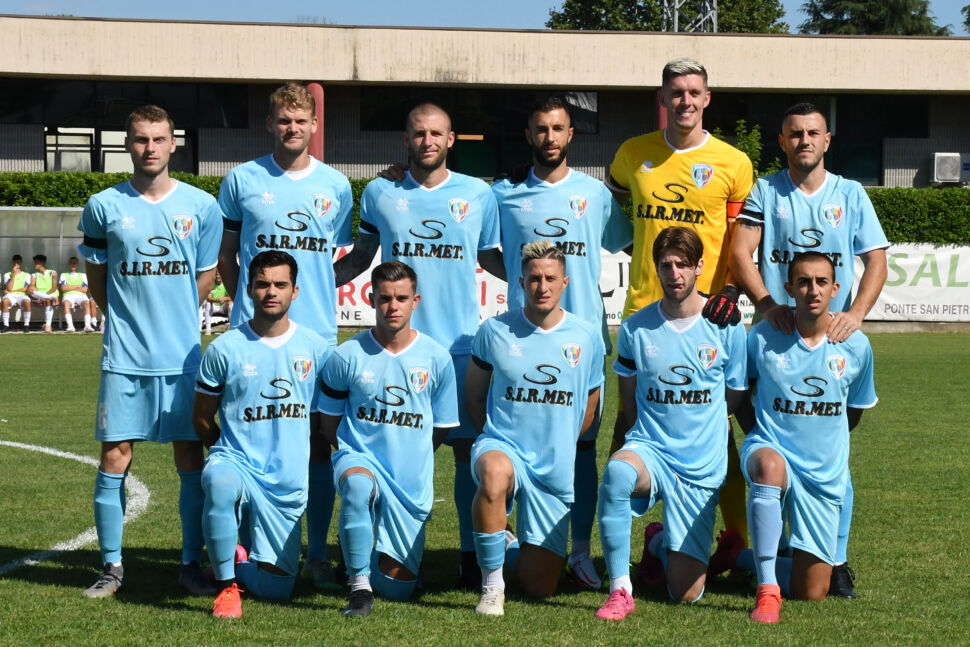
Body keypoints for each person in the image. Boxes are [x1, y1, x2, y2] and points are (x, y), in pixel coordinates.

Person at [334, 102, 505, 588]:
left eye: (436, 133)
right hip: (396, 349)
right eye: (418, 133)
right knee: (395, 449)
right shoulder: (380, 192)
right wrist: (306, 285)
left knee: (466, 453)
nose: (427, 140)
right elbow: (361, 257)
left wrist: (545, 290)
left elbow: (491, 258)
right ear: (405, 139)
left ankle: (472, 555)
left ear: (451, 140)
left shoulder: (478, 194)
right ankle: (387, 547)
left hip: (459, 347)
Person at [728, 102, 888, 598]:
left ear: (827, 139)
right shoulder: (765, 190)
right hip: (777, 337)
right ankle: (762, 555)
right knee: (764, 446)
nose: (804, 141)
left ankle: (832, 560)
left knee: (833, 451)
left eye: (812, 133)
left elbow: (876, 262)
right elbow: (740, 252)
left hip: (829, 335)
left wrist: (855, 316)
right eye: (794, 134)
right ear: (782, 141)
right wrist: (767, 303)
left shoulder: (851, 193)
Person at [606, 56, 754, 554]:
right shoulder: (633, 154)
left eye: (694, 92)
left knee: (718, 432)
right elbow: (611, 209)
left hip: (707, 320)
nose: (685, 101)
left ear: (706, 99)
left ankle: (737, 539)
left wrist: (729, 294)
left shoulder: (733, 163)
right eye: (676, 93)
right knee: (628, 428)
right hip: (642, 314)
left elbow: (739, 242)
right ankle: (616, 550)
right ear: (663, 99)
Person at [76, 104, 223, 598]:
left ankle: (188, 564)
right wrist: (125, 318)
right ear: (127, 144)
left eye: (159, 139)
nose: (150, 148)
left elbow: (206, 275)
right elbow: (98, 279)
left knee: (190, 456)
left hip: (182, 359)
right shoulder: (103, 206)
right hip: (124, 357)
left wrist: (176, 314)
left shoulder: (201, 207)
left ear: (173, 143)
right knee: (114, 456)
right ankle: (112, 567)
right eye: (140, 139)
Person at [491, 96, 631, 589]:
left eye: (558, 128)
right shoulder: (502, 194)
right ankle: (508, 541)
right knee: (513, 446)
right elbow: (487, 250)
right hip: (521, 343)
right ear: (528, 136)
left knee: (581, 450)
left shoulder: (595, 195)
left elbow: (633, 242)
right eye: (540, 130)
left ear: (572, 134)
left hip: (582, 343)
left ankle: (576, 550)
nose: (549, 137)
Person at [217, 82, 354, 586]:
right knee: (253, 438)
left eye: (301, 121)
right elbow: (228, 256)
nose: (292, 128)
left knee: (321, 442)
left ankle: (316, 551)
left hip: (317, 336)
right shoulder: (241, 179)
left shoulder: (337, 185)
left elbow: (328, 261)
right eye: (283, 120)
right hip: (252, 338)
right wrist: (247, 311)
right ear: (270, 124)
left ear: (314, 126)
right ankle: (249, 549)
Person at [594, 227, 747, 621]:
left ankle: (658, 541)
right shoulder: (635, 327)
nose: (674, 273)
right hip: (652, 450)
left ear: (699, 267)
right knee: (616, 474)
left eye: (683, 264)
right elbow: (627, 397)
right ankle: (619, 590)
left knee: (686, 593)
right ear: (656, 269)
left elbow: (734, 395)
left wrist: (707, 426)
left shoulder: (726, 326)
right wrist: (635, 439)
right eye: (666, 265)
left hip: (700, 464)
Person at [726, 252, 877, 623]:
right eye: (804, 282)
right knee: (770, 465)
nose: (813, 290)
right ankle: (766, 592)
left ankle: (736, 555)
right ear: (789, 288)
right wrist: (759, 435)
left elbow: (852, 411)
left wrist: (822, 437)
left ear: (835, 289)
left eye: (821, 282)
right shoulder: (762, 336)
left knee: (812, 591)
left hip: (821, 474)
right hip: (770, 450)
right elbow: (741, 395)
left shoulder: (856, 346)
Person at [465, 241, 604, 616]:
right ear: (521, 282)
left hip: (552, 467)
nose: (542, 286)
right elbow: (475, 398)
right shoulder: (494, 330)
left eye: (550, 278)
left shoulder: (587, 336)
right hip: (503, 446)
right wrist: (494, 439)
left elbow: (589, 407)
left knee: (540, 586)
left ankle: (508, 545)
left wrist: (560, 443)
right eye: (533, 278)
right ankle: (492, 588)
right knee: (494, 473)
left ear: (565, 283)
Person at [194, 250, 330, 619]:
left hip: (285, 483)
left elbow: (325, 421)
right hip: (235, 462)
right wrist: (226, 450)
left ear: (295, 291)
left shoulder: (317, 349)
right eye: (263, 284)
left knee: (277, 589)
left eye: (280, 284)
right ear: (249, 290)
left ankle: (236, 561)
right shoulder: (224, 348)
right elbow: (202, 418)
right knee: (220, 484)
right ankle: (226, 589)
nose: (272, 291)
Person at [318, 260, 458, 617]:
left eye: (401, 298)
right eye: (384, 298)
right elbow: (329, 424)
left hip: (408, 482)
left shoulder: (437, 359)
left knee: (398, 590)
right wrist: (353, 454)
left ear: (416, 301)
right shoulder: (346, 355)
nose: (392, 306)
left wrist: (411, 453)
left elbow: (440, 427)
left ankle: (355, 557)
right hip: (359, 460)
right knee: (357, 487)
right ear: (371, 298)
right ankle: (359, 587)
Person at [60, 256, 97, 332]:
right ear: (69, 264)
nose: (73, 264)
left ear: (77, 264)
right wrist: (77, 286)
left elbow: (85, 289)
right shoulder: (64, 275)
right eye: (71, 263)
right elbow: (63, 288)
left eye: (75, 263)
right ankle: (70, 327)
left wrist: (69, 286)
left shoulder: (83, 275)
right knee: (66, 303)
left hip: (81, 295)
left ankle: (87, 326)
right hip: (68, 295)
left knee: (87, 303)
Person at [27, 254, 58, 333]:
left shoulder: (53, 272)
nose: (34, 264)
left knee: (48, 300)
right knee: (29, 290)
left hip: (51, 294)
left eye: (36, 262)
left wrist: (45, 295)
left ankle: (48, 326)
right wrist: (43, 295)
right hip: (40, 296)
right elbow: (32, 287)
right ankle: (49, 298)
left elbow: (54, 288)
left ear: (42, 263)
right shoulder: (34, 275)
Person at [2, 254, 32, 331]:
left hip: (22, 295)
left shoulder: (27, 275)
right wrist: (14, 274)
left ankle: (26, 325)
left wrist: (12, 290)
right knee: (4, 301)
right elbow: (9, 288)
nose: (16, 264)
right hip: (10, 296)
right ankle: (6, 325)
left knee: (27, 302)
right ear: (12, 263)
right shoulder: (7, 275)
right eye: (15, 262)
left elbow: (25, 289)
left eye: (18, 262)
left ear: (21, 263)